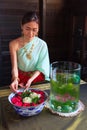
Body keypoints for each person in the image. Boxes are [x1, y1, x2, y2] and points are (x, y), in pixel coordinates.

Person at [9, 11, 50, 92]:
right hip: (20, 77)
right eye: (27, 29)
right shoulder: (13, 44)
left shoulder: (42, 44)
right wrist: (15, 79)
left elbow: (41, 67)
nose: (31, 34)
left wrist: (30, 80)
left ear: (38, 29)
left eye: (35, 30)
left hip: (37, 78)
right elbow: (14, 68)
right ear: (22, 26)